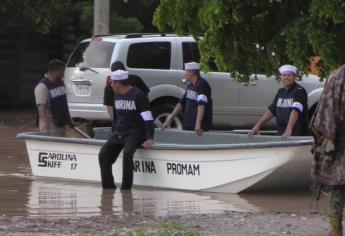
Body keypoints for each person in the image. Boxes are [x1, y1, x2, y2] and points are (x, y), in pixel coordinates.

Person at [98, 70, 154, 190]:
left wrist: (149, 137)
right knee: (103, 155)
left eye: (112, 83)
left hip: (135, 132)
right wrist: (114, 131)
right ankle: (108, 188)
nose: (111, 85)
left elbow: (148, 118)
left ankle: (126, 189)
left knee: (127, 153)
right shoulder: (115, 95)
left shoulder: (138, 95)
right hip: (119, 132)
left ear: (119, 83)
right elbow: (117, 117)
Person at [310, 65, 345, 236]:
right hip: (339, 141)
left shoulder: (337, 76)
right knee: (339, 186)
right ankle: (335, 229)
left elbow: (324, 116)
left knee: (338, 186)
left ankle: (335, 229)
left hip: (337, 140)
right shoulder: (338, 76)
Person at [249, 65, 308, 138]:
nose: (286, 77)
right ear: (281, 77)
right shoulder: (280, 92)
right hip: (281, 134)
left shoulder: (299, 91)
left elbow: (295, 110)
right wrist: (257, 125)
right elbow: (272, 109)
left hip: (295, 135)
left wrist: (288, 129)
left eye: (289, 75)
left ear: (294, 77)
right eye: (284, 75)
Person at [163, 62, 212, 135]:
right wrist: (170, 118)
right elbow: (182, 102)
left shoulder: (202, 85)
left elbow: (201, 104)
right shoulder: (190, 85)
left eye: (186, 71)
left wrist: (198, 124)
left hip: (199, 127)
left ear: (190, 72)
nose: (185, 74)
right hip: (188, 124)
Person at [103, 61, 150, 126]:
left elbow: (146, 96)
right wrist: (115, 123)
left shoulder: (135, 80)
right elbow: (109, 105)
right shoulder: (110, 85)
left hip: (136, 119)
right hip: (121, 120)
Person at [34, 59, 72, 136]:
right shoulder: (42, 87)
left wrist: (68, 120)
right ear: (55, 71)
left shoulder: (60, 83)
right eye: (61, 72)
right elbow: (41, 107)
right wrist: (45, 126)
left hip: (61, 125)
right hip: (50, 127)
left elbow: (63, 103)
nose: (63, 74)